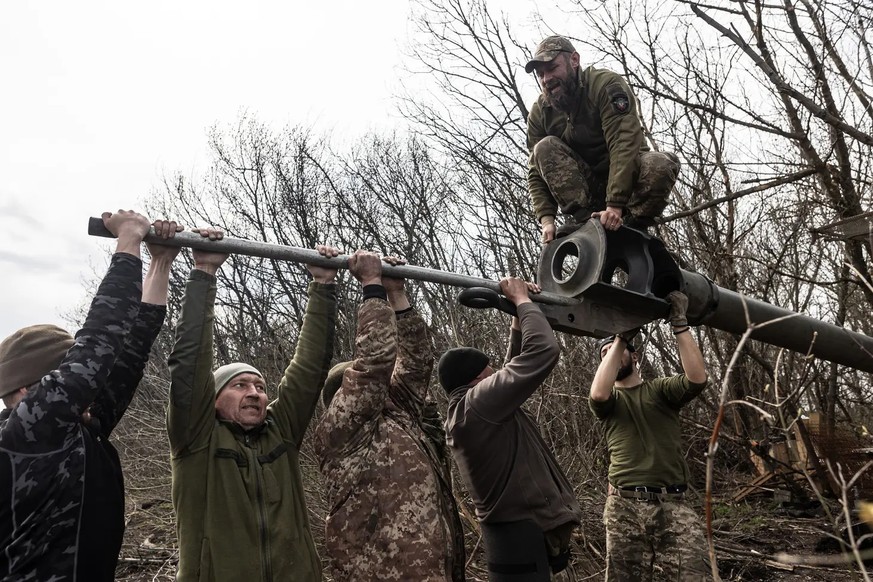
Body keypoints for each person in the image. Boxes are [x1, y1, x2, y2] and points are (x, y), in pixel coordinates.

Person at [0, 211, 181, 581]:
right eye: (63, 374)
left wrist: (160, 261)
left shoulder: (80, 429)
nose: (89, 383)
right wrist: (128, 240)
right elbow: (100, 340)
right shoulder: (26, 432)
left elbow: (130, 351)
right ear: (25, 389)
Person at [167, 227, 339, 582]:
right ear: (212, 400)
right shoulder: (196, 440)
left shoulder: (281, 432)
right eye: (240, 385)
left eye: (261, 386)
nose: (256, 392)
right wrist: (204, 273)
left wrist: (323, 285)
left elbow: (309, 369)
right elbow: (189, 365)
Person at [314, 251, 466, 581]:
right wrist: (371, 285)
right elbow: (376, 362)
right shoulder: (342, 434)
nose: (384, 386)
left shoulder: (399, 416)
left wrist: (396, 292)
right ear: (342, 395)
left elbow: (416, 362)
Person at [440, 277, 581, 581]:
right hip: (525, 546)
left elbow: (510, 369)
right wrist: (522, 301)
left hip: (523, 546)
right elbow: (543, 350)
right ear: (478, 381)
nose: (499, 376)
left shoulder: (470, 409)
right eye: (491, 374)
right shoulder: (478, 405)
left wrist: (518, 321)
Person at [589, 291, 712, 581]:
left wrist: (679, 323)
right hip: (624, 506)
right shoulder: (607, 403)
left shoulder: (659, 391)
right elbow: (598, 392)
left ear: (635, 356)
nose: (612, 356)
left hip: (672, 503)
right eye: (604, 355)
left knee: (694, 574)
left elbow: (697, 378)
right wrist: (618, 339)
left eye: (619, 351)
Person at [524, 35, 681, 242]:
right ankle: (587, 223)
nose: (546, 79)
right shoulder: (540, 113)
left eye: (552, 68)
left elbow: (624, 142)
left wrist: (615, 206)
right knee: (543, 148)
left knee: (661, 164)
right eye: (541, 74)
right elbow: (536, 171)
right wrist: (547, 220)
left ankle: (634, 226)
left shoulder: (605, 85)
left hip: (630, 186)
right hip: (590, 192)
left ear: (574, 60)